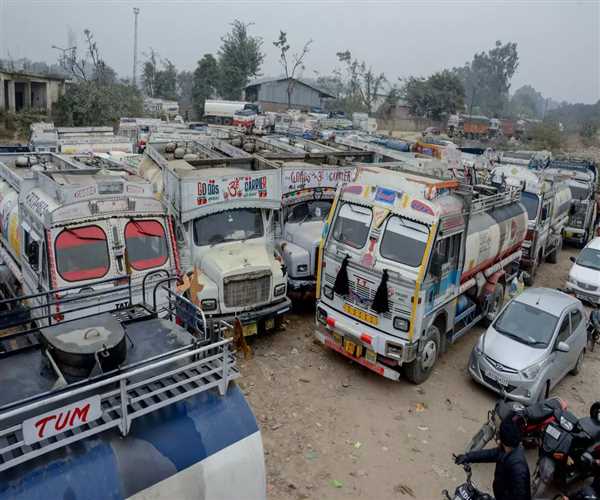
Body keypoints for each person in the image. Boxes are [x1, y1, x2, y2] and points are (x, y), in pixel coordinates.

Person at [454, 418, 531, 500]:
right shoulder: (507, 449)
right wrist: (467, 457)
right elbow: (488, 454)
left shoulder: (518, 470)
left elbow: (519, 497)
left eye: (498, 434)